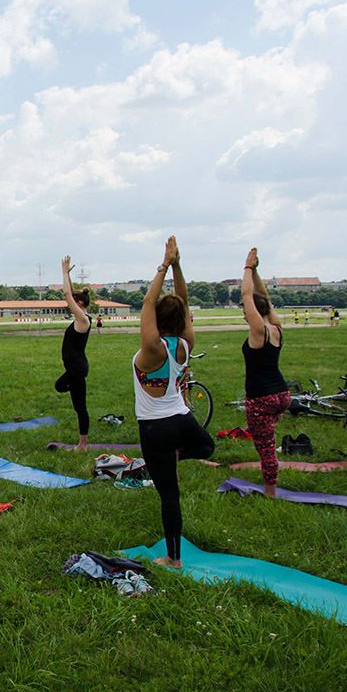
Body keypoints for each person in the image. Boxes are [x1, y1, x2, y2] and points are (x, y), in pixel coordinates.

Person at [133, 237, 214, 569]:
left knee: (170, 495)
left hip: (155, 430)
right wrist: (178, 265)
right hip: (183, 422)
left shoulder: (152, 348)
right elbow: (181, 300)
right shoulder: (185, 344)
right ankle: (179, 454)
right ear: (182, 320)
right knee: (207, 447)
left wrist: (164, 265)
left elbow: (149, 302)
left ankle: (173, 559)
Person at [240, 248, 290, 499]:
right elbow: (264, 298)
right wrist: (257, 272)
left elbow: (248, 294)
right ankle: (270, 485)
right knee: (268, 440)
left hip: (261, 398)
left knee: (266, 449)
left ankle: (270, 492)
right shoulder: (276, 327)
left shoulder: (259, 330)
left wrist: (248, 268)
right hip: (281, 395)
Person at [55, 256, 92, 451]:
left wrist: (63, 273)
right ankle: (82, 442)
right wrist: (68, 275)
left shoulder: (83, 320)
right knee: (60, 386)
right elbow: (71, 293)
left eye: (73, 302)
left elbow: (67, 294)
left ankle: (83, 444)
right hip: (74, 367)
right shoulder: (81, 318)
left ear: (78, 303)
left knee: (80, 407)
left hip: (77, 369)